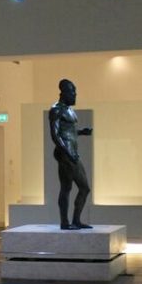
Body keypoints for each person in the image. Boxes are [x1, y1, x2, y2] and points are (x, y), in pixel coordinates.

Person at [49, 79, 93, 230]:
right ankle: (70, 221)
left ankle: (70, 222)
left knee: (67, 188)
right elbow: (55, 135)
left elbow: (68, 131)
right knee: (83, 188)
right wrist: (67, 153)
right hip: (66, 154)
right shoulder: (56, 110)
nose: (75, 95)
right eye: (72, 92)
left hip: (71, 153)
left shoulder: (69, 110)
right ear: (64, 93)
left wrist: (81, 132)